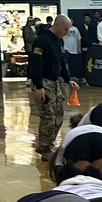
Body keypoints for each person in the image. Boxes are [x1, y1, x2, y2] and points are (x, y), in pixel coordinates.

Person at [28, 14, 79, 161]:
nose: (66, 33)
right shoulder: (42, 41)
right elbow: (36, 64)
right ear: (57, 25)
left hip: (54, 82)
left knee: (58, 115)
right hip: (43, 82)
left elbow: (61, 62)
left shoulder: (58, 41)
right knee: (48, 115)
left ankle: (49, 144)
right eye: (65, 29)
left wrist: (68, 79)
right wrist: (39, 86)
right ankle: (44, 148)